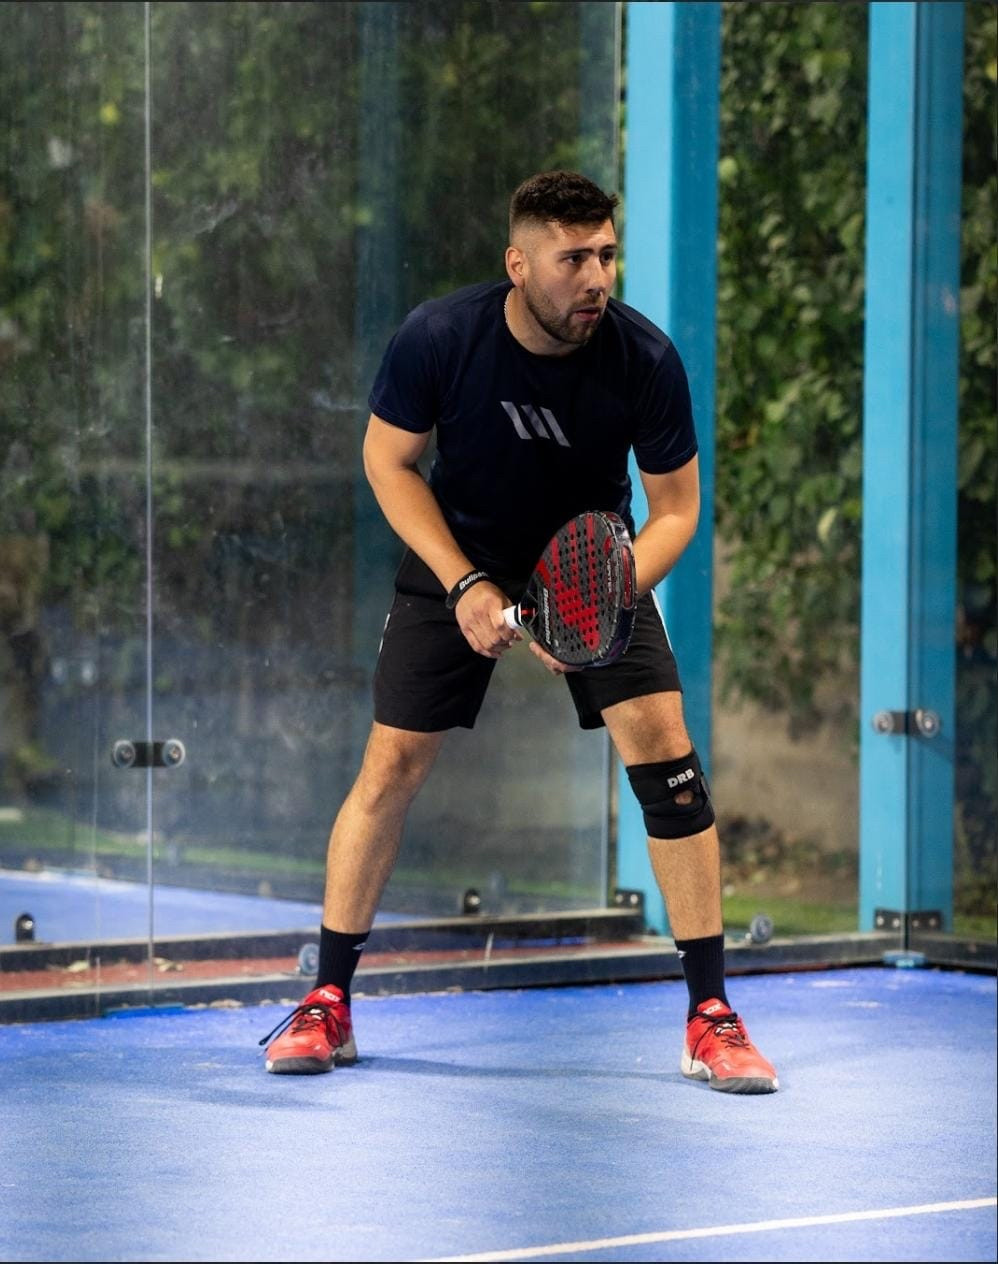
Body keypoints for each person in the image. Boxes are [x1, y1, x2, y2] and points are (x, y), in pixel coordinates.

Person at [261, 170, 778, 1094]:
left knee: (670, 760)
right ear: (518, 263)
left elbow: (676, 511)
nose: (596, 278)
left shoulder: (645, 359)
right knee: (391, 765)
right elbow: (388, 461)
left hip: (595, 566)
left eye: (607, 255)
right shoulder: (440, 337)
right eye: (573, 258)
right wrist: (463, 581)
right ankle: (327, 1001)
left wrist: (600, 597)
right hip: (459, 556)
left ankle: (711, 1017)